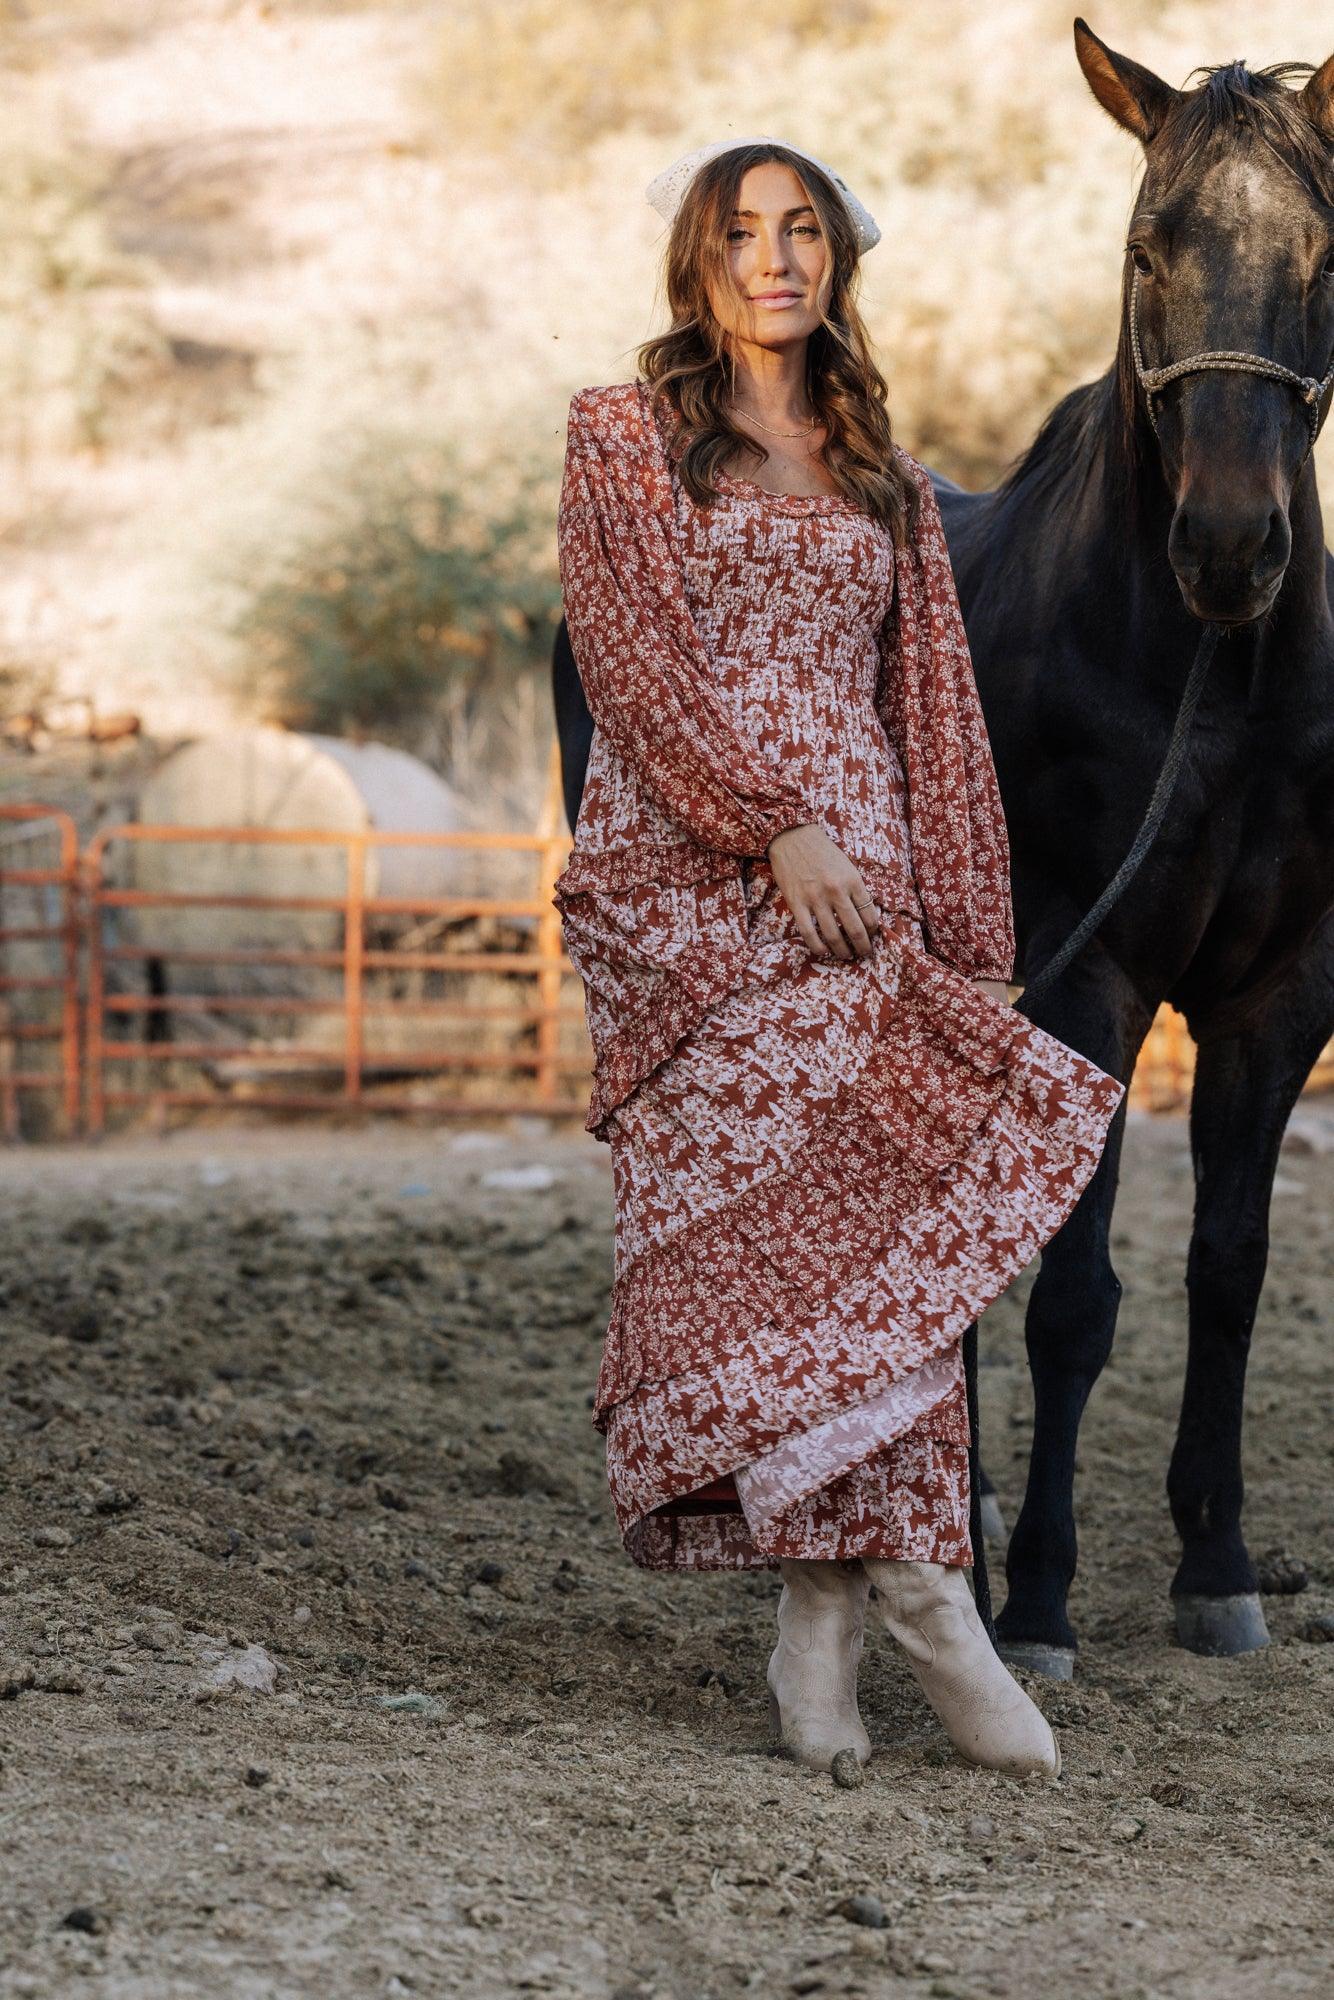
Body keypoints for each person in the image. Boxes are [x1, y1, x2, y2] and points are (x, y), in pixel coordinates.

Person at [552, 137, 1125, 1778]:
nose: (774, 257)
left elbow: (932, 704)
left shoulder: (882, 467)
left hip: (864, 888)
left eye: (801, 229)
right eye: (742, 231)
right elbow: (633, 667)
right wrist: (768, 830)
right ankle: (931, 1604)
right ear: (698, 258)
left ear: (836, 258)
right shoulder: (620, 434)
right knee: (784, 1250)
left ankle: (821, 1626)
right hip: (686, 878)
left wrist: (964, 928)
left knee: (878, 1253)